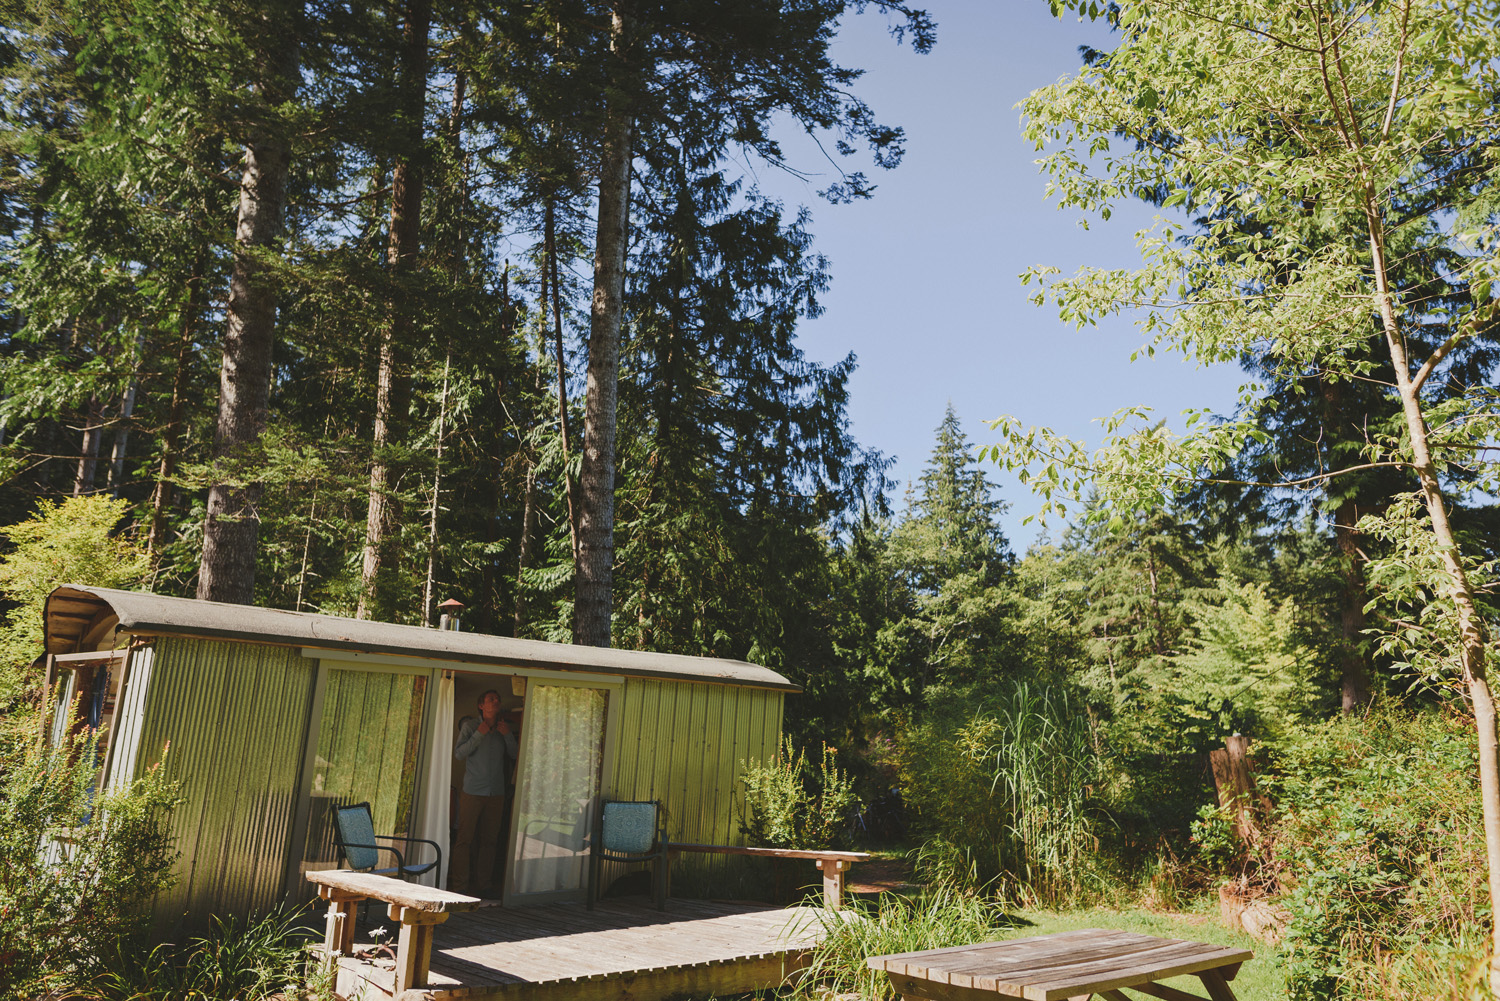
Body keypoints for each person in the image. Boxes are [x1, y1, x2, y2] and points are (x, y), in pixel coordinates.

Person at [451, 689, 518, 897]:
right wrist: (479, 733)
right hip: (472, 792)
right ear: (481, 705)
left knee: (490, 841)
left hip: (496, 793)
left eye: (498, 699)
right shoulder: (470, 726)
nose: (496, 701)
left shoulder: (504, 729)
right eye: (491, 699)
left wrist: (507, 736)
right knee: (464, 839)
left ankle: (485, 885)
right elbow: (459, 754)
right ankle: (459, 886)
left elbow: (516, 755)